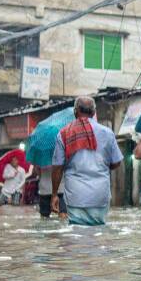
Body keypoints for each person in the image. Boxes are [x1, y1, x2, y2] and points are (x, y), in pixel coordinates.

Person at [52, 96, 123, 226]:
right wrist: (102, 166)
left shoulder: (64, 133)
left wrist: (54, 194)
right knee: (98, 234)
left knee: (76, 234)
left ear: (75, 112)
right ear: (94, 112)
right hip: (100, 193)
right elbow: (117, 162)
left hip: (75, 194)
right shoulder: (107, 133)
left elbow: (57, 167)